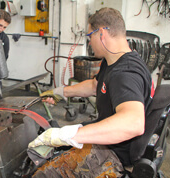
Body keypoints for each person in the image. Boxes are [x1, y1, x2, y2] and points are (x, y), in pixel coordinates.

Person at [29, 7, 154, 168]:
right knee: (60, 137)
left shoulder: (124, 73)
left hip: (115, 152)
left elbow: (133, 123)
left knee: (47, 175)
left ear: (101, 34)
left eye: (90, 36)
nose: (89, 42)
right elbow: (95, 85)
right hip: (111, 139)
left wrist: (69, 135)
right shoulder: (117, 61)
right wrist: (60, 92)